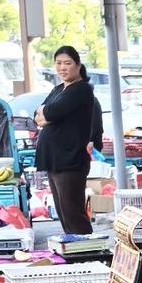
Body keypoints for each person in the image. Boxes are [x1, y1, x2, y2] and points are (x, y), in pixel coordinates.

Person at [34, 45, 100, 236]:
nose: (62, 67)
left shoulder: (81, 89)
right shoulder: (58, 89)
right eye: (58, 63)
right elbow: (36, 115)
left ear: (78, 65)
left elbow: (51, 112)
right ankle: (74, 248)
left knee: (73, 212)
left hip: (70, 159)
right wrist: (45, 114)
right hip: (54, 159)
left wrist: (46, 114)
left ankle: (88, 249)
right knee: (63, 212)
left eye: (67, 63)